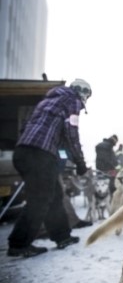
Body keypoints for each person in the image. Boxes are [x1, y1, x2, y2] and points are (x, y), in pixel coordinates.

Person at [7, 79, 91, 258]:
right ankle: (18, 244)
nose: (85, 101)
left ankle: (62, 236)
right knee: (39, 200)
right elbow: (71, 133)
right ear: (82, 93)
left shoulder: (46, 102)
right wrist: (80, 163)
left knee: (54, 196)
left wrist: (63, 159)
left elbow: (44, 132)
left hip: (23, 152)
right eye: (86, 97)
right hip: (40, 155)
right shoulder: (72, 101)